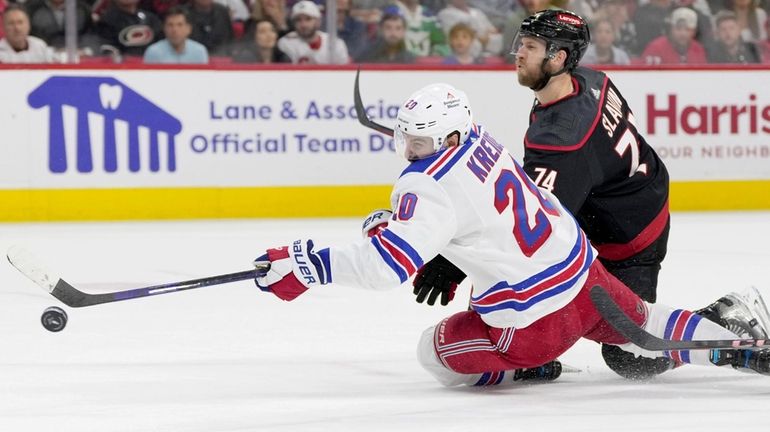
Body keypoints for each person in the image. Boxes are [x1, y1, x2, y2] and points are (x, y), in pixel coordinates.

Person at [252, 81, 770, 387]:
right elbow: (475, 214)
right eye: (407, 139)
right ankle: (736, 336)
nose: (408, 150)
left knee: (433, 354)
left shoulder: (425, 185)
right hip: (585, 279)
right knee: (646, 323)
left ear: (447, 135)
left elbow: (386, 268)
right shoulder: (482, 140)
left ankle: (527, 368)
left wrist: (307, 263)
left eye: (418, 141)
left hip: (533, 327)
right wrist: (406, 230)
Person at [409, 9, 743, 381]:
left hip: (630, 236)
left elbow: (521, 223)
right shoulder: (586, 80)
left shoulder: (563, 137)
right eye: (521, 43)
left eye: (530, 46)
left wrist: (449, 262)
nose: (518, 52)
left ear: (559, 57)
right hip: (617, 202)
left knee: (632, 359)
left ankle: (722, 317)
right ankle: (529, 355)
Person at [278, 0, 350, 64]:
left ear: (318, 21)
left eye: (308, 19)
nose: (303, 24)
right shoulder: (286, 43)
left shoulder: (335, 43)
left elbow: (344, 73)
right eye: (298, 20)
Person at [640, 7, 708, 65]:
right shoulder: (655, 48)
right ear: (671, 29)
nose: (683, 33)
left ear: (694, 32)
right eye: (678, 28)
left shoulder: (698, 49)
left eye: (688, 29)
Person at [143, 7, 209, 64]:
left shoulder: (199, 52)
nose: (174, 30)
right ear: (164, 28)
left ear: (189, 29)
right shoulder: (153, 52)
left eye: (180, 25)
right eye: (170, 25)